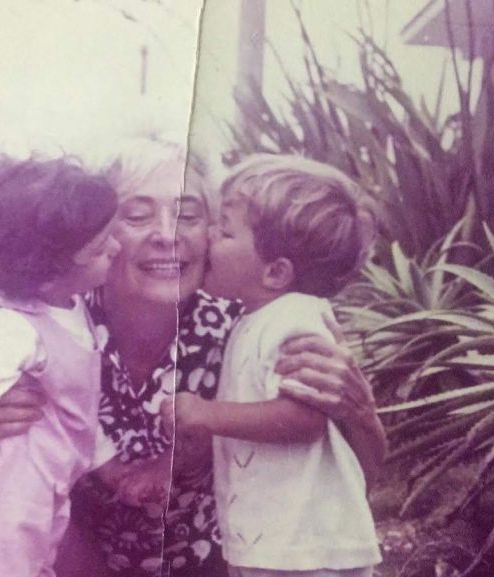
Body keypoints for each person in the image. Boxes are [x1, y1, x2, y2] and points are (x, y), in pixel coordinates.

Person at [0, 139, 387, 577]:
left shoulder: (252, 327)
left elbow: (359, 477)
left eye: (188, 215)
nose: (166, 235)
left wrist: (359, 411)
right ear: (95, 233)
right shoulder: (43, 321)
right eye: (137, 216)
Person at [169, 154, 381, 577]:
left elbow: (304, 419)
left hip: (304, 547)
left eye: (225, 231)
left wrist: (206, 414)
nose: (209, 237)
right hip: (281, 545)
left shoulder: (294, 318)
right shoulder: (257, 318)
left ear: (276, 272)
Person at [0, 154, 136, 577]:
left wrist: (110, 466)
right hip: (2, 499)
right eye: (99, 248)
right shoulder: (10, 327)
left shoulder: (69, 307)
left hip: (43, 493)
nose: (116, 248)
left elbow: (70, 409)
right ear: (47, 271)